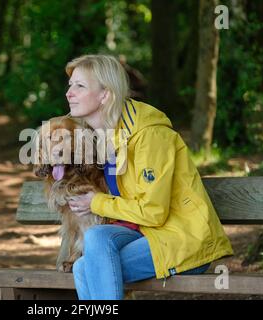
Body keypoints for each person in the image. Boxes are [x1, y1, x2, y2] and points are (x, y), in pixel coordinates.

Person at [64, 54, 234, 300]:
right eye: (70, 86)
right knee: (89, 252)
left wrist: (95, 202)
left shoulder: (149, 136)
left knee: (87, 264)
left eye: (80, 86)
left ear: (105, 94)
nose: (69, 93)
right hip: (143, 235)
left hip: (182, 241)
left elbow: (153, 211)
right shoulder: (106, 136)